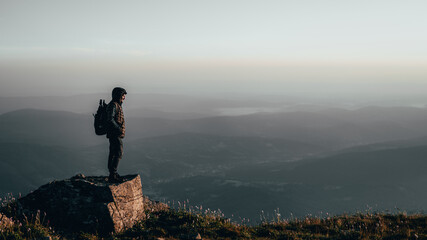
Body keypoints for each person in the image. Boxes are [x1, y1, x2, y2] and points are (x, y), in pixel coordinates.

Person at [106, 87, 127, 183]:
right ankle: (113, 174)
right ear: (118, 95)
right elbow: (110, 119)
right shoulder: (114, 105)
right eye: (123, 95)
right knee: (118, 152)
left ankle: (112, 173)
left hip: (114, 133)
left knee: (113, 152)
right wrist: (118, 128)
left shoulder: (115, 105)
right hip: (115, 134)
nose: (124, 98)